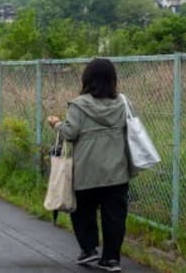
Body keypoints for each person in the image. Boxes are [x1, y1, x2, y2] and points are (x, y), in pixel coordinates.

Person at [47, 58, 130, 272]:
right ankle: (111, 259)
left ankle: (89, 249)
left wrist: (56, 124)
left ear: (88, 79)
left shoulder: (79, 104)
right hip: (117, 170)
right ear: (112, 79)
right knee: (115, 216)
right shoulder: (123, 103)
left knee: (83, 211)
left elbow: (70, 133)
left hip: (86, 170)